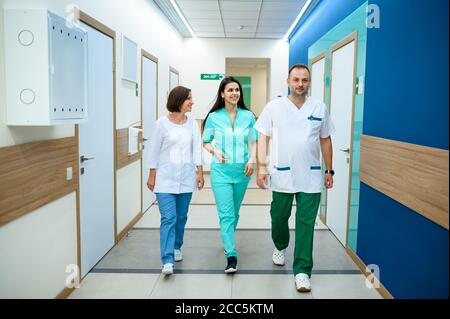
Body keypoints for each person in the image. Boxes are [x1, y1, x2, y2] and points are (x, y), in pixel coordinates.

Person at [254, 64, 335, 292]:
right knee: (279, 217)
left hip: (310, 176)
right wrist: (262, 167)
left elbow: (326, 139)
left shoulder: (319, 107)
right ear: (288, 81)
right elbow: (263, 138)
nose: (300, 84)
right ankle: (280, 245)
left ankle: (302, 270)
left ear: (309, 82)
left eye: (305, 80)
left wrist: (329, 170)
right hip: (281, 173)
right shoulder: (274, 107)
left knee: (306, 224)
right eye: (296, 79)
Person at [202, 76, 258, 273]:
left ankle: (228, 240)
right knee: (226, 214)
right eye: (230, 90)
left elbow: (254, 141)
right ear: (222, 94)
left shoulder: (249, 116)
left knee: (234, 212)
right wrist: (214, 151)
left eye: (237, 90)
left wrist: (252, 159)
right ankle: (231, 255)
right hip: (220, 172)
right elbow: (206, 141)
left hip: (243, 171)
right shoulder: (214, 117)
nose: (235, 93)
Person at [147, 86, 204, 276]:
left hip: (186, 178)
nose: (192, 102)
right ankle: (167, 259)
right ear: (178, 100)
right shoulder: (161, 124)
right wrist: (152, 174)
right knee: (168, 218)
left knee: (181, 217)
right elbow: (154, 151)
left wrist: (200, 172)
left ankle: (177, 246)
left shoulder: (192, 124)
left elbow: (197, 149)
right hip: (164, 180)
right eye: (188, 98)